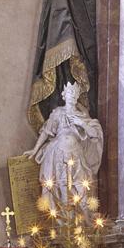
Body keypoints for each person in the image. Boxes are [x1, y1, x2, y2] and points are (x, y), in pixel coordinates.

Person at [25, 80, 104, 210]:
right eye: (69, 93)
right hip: (56, 152)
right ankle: (61, 219)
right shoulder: (57, 113)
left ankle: (82, 217)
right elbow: (46, 132)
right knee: (58, 183)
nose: (72, 95)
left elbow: (94, 134)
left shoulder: (82, 115)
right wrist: (34, 150)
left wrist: (81, 123)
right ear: (64, 95)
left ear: (77, 96)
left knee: (80, 183)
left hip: (76, 153)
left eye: (74, 93)